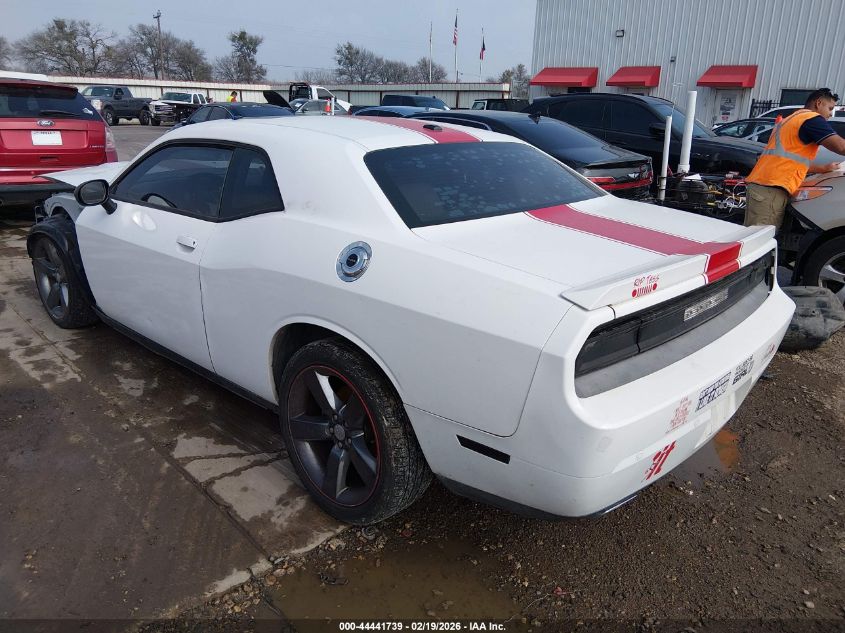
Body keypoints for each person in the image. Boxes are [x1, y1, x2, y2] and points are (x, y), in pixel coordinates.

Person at [745, 88, 845, 229]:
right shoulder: (811, 119)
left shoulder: (792, 119)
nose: (830, 114)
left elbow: (790, 160)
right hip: (771, 187)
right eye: (830, 108)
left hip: (767, 185)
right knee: (760, 240)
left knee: (760, 237)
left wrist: (823, 168)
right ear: (818, 103)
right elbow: (841, 147)